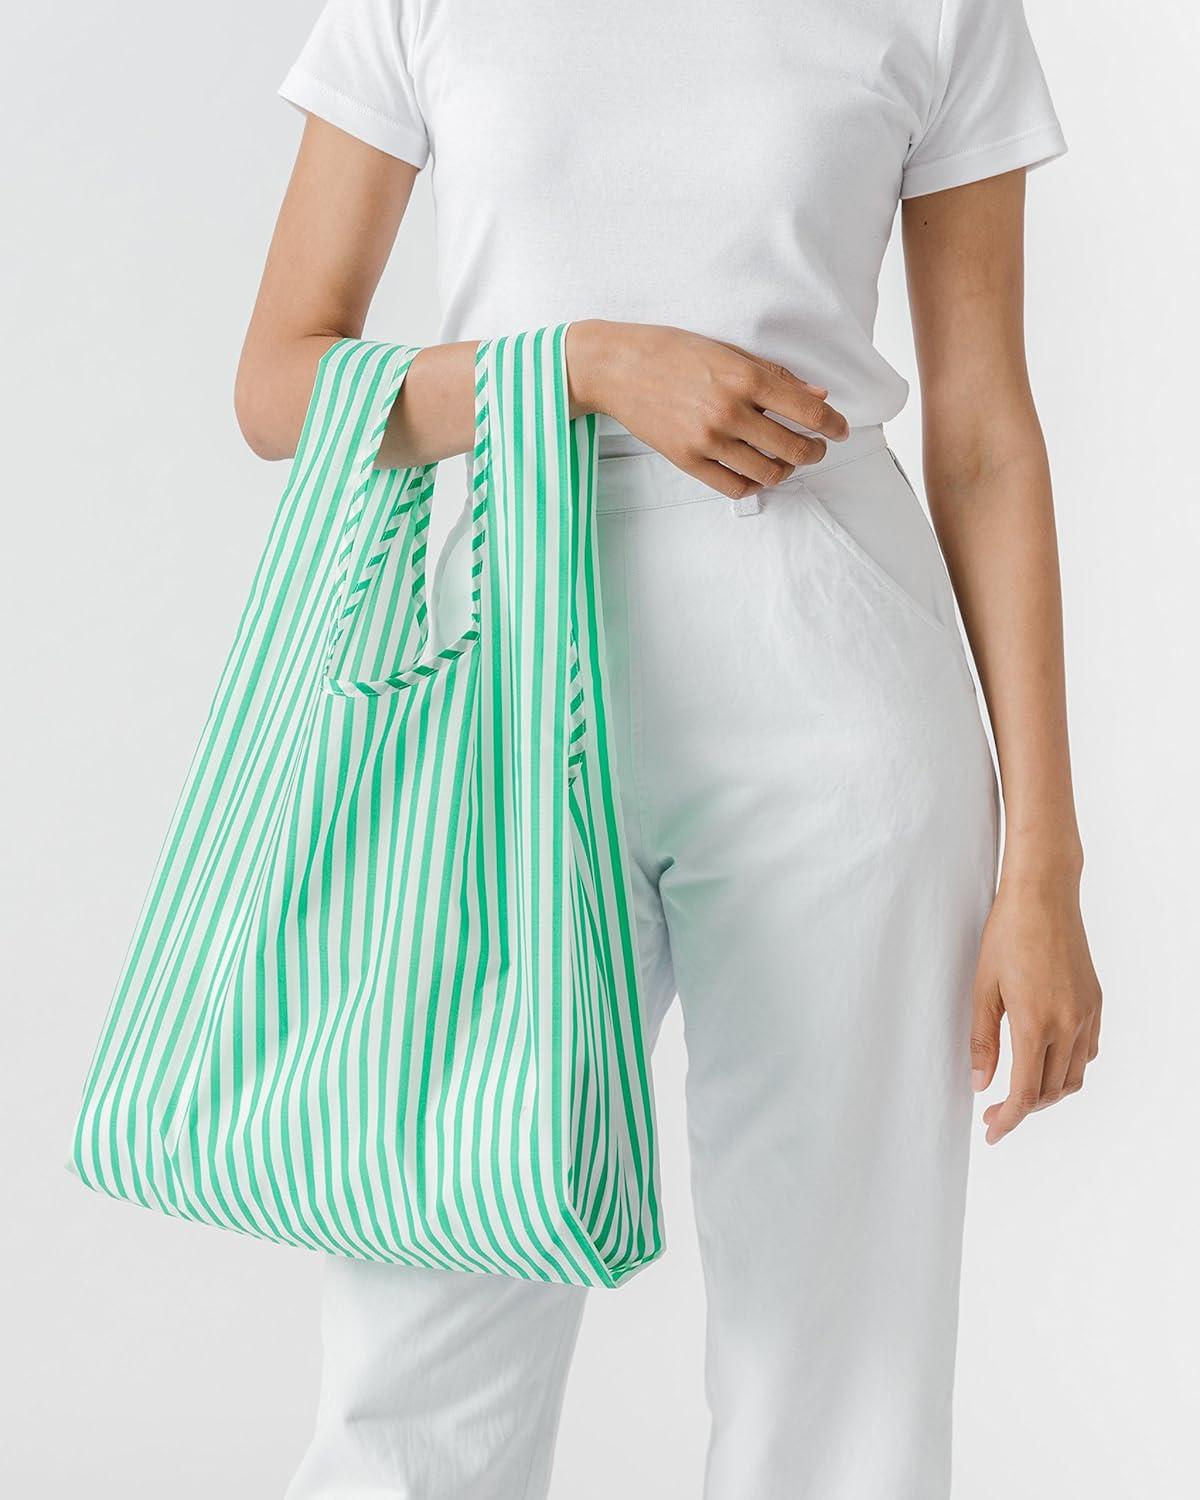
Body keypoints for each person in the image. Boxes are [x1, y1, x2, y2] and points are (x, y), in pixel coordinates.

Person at [234, 1, 1103, 1495]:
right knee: (418, 1332)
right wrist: (579, 364)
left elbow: (982, 438)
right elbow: (277, 386)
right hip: (490, 677)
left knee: (843, 1365)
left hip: (836, 679)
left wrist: (1046, 865)